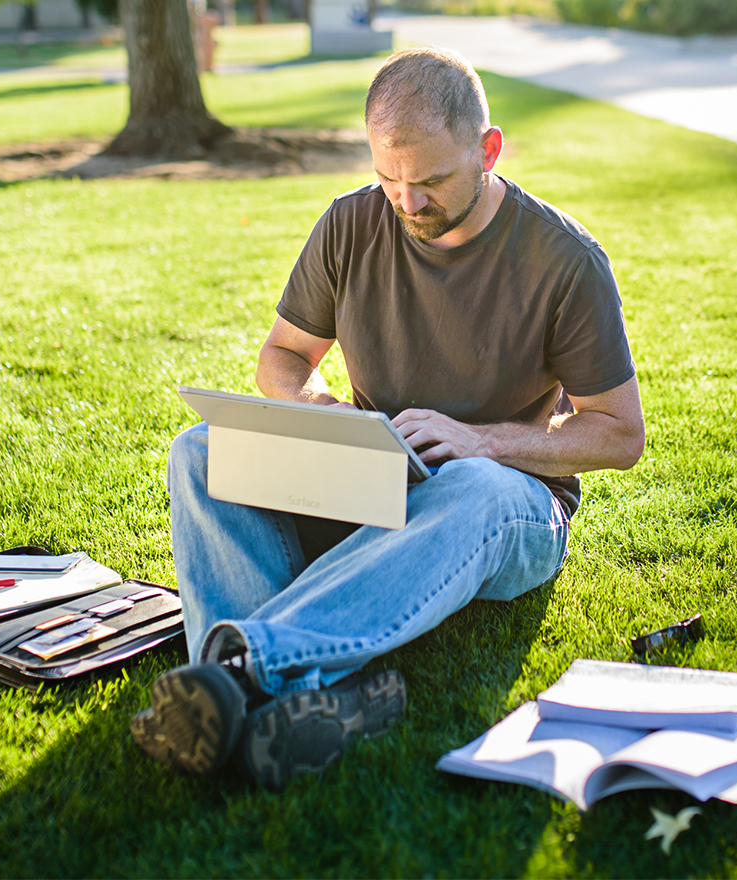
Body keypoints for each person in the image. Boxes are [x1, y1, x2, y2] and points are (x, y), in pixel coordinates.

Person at [129, 47, 644, 788]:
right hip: (375, 476)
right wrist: (314, 408)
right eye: (388, 178)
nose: (406, 203)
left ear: (487, 150)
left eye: (431, 181)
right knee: (202, 452)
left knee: (478, 485)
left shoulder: (564, 259)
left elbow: (620, 434)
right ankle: (281, 698)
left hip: (508, 505)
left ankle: (238, 673)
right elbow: (282, 354)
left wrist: (482, 443)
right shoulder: (349, 225)